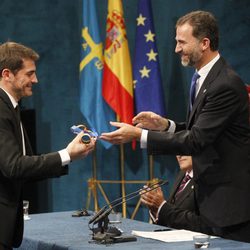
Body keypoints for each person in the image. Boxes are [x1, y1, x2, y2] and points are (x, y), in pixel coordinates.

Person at [100, 10, 250, 242]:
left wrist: (140, 135)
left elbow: (197, 140)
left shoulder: (225, 84)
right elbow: (201, 130)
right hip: (211, 204)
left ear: (204, 43)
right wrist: (166, 125)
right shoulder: (203, 78)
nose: (177, 49)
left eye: (182, 42)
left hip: (228, 209)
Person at [0, 42, 96, 250]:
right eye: (30, 73)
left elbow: (26, 168)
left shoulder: (11, 107)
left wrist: (71, 155)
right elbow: (13, 167)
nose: (35, 80)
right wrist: (66, 154)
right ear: (7, 74)